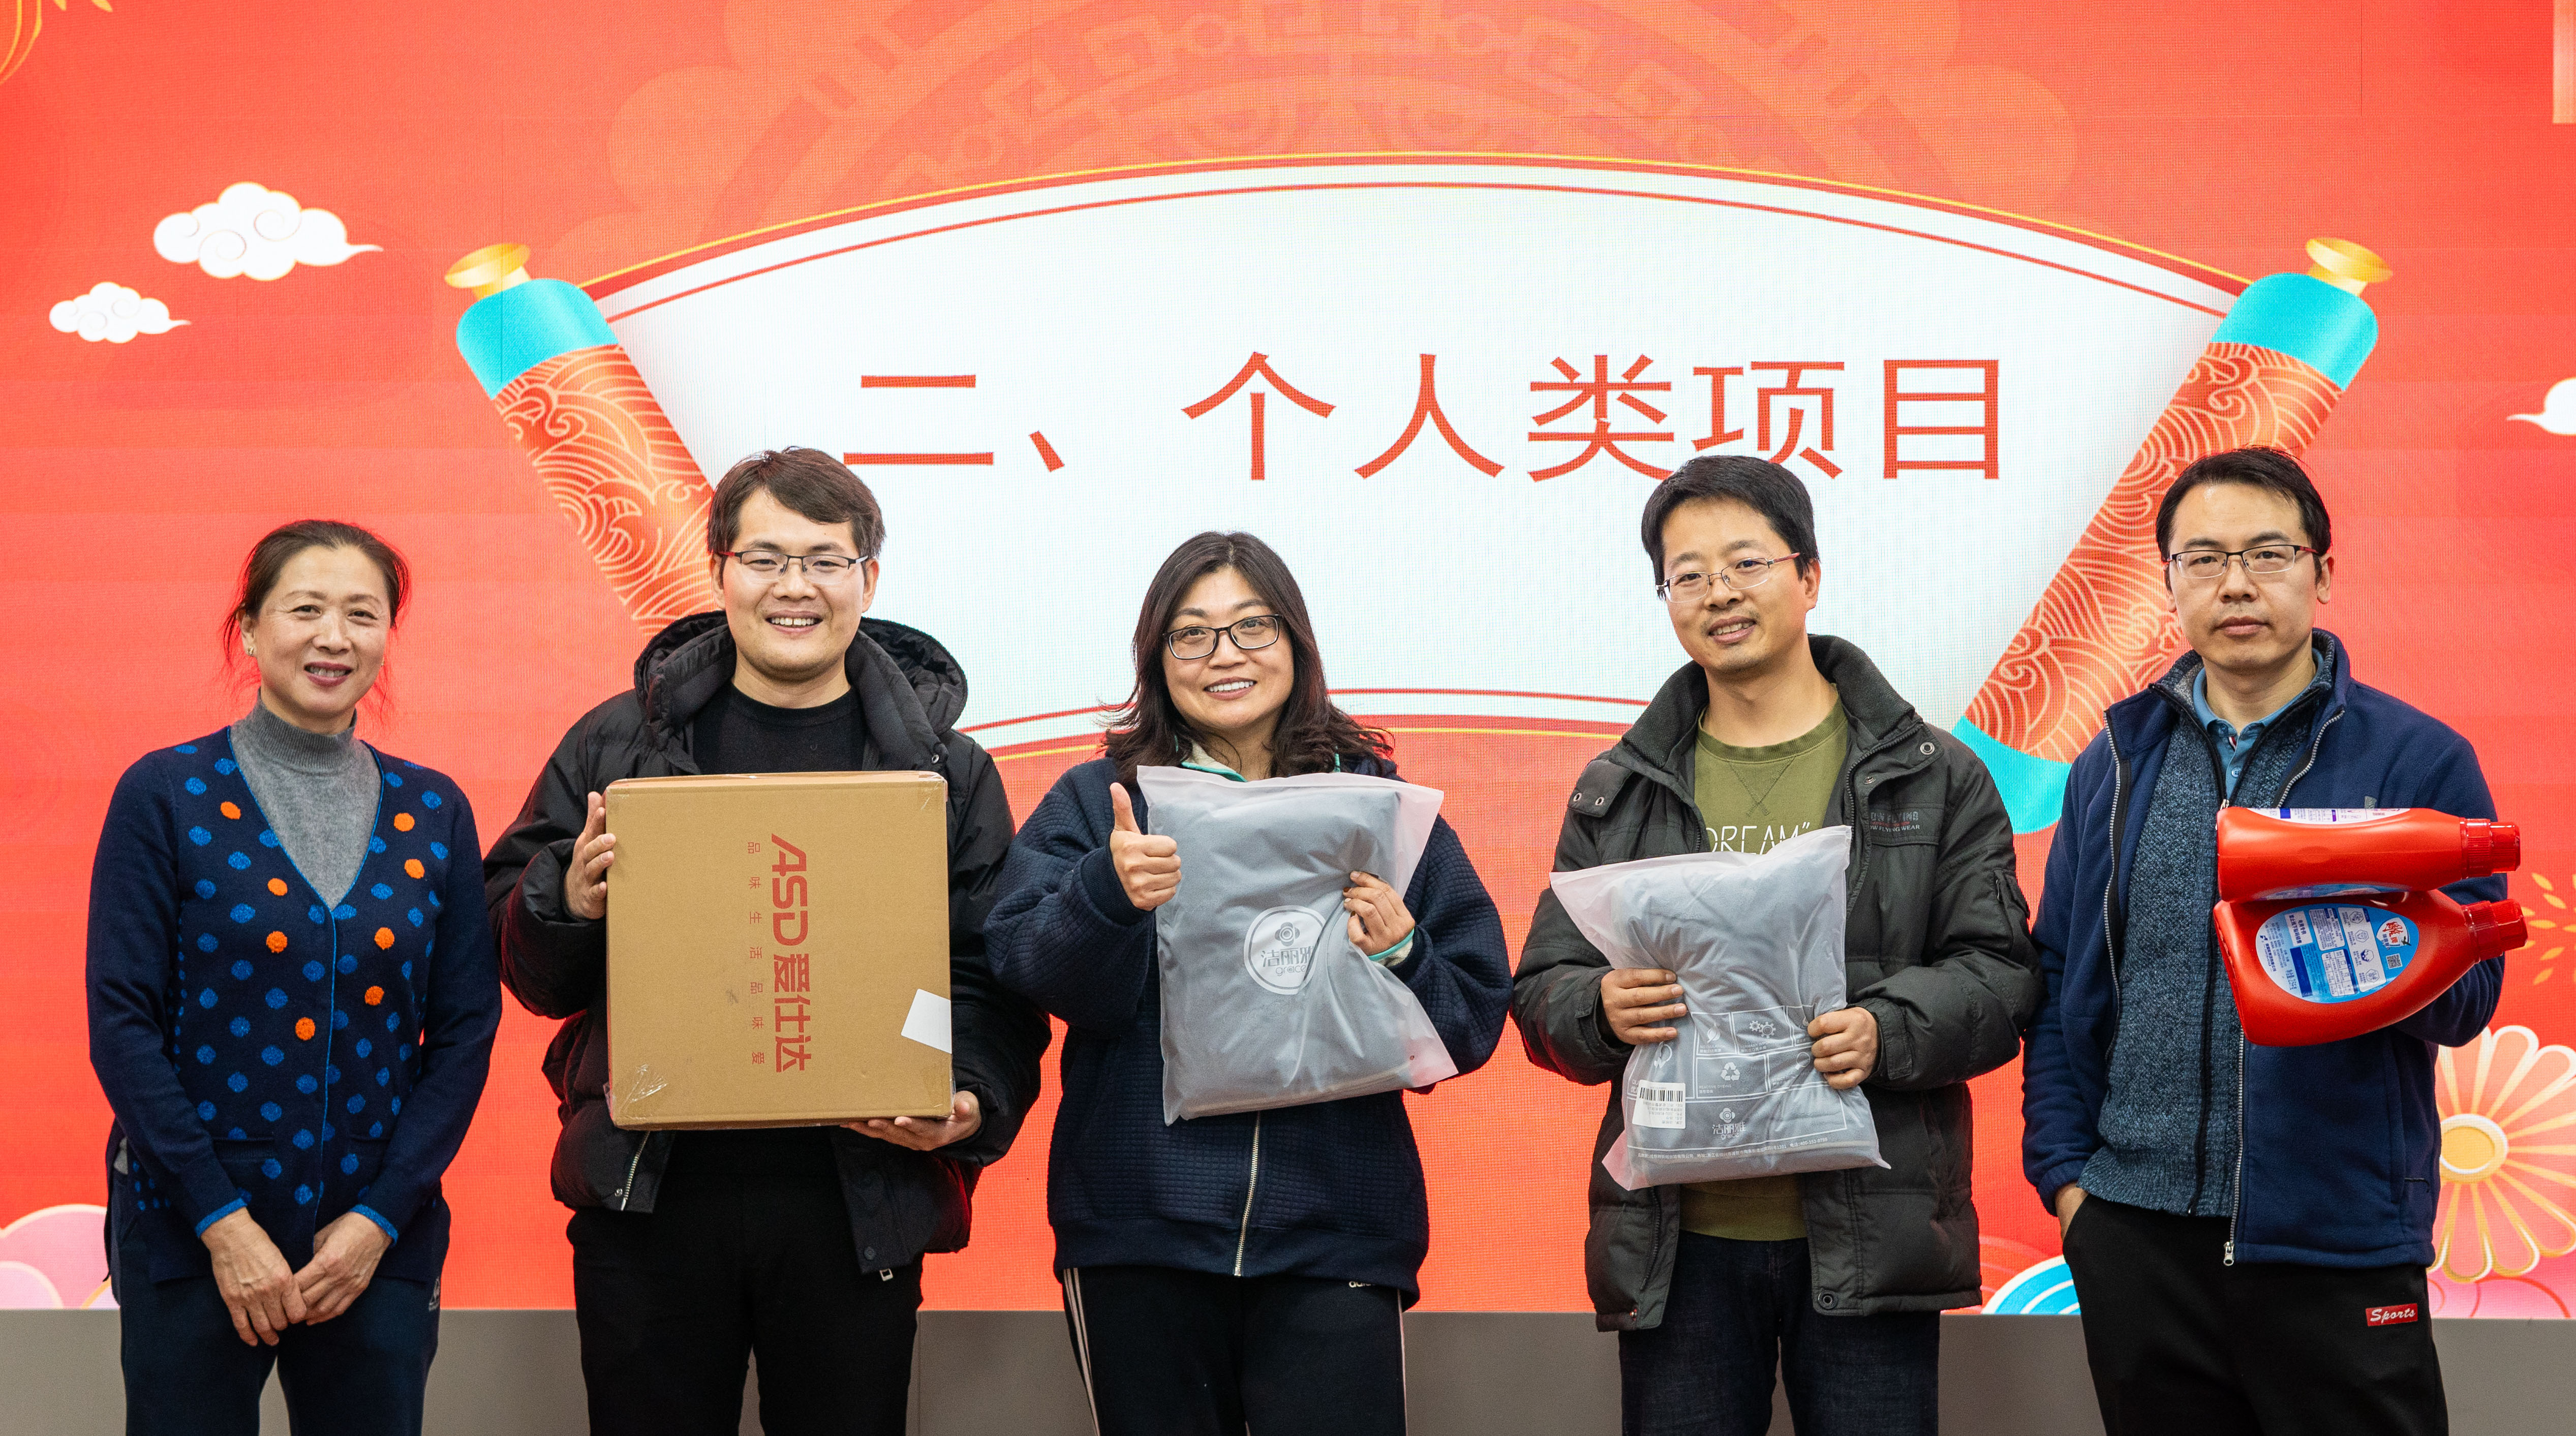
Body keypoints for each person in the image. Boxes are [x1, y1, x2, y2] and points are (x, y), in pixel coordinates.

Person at [481, 447, 1047, 1436]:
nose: (795, 587)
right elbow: (524, 964)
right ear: (720, 571)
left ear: (869, 579)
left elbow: (993, 971)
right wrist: (562, 898)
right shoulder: (617, 745)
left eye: (826, 561)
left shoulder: (944, 771)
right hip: (652, 1191)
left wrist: (967, 1096)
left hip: (857, 1196)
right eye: (766, 559)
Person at [1512, 455, 2040, 1436]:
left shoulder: (1932, 775)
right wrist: (1599, 1009)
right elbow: (1545, 987)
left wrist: (1887, 1030)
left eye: (1747, 563)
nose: (1719, 593)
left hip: (1872, 1227)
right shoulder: (1619, 790)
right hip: (1680, 1242)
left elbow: (2003, 975)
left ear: (1809, 575)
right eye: (1688, 575)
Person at [2022, 448, 2505, 1436]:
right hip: (2135, 1237)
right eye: (2202, 559)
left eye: (2267, 553)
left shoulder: (2415, 760)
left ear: (2321, 573)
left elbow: (2470, 1002)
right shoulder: (2113, 762)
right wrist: (2072, 1186)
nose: (2235, 584)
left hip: (2335, 1242)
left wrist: (2365, 901)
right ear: (2168, 583)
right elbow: (2060, 974)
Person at [985, 530, 1511, 1436]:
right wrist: (1108, 892)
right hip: (1140, 1230)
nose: (1224, 655)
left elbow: (1471, 1021)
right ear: (1157, 659)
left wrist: (1403, 952)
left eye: (1252, 627)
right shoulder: (1102, 801)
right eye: (1192, 634)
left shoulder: (1376, 806)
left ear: (1295, 643)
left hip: (1336, 1230)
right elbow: (1026, 965)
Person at [86, 521, 501, 1436]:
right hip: (191, 1223)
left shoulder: (435, 809)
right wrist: (222, 1223)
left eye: (363, 614)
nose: (334, 638)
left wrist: (380, 1219)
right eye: (305, 610)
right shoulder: (164, 793)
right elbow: (122, 1023)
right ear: (248, 628)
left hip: (372, 1237)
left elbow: (465, 1030)